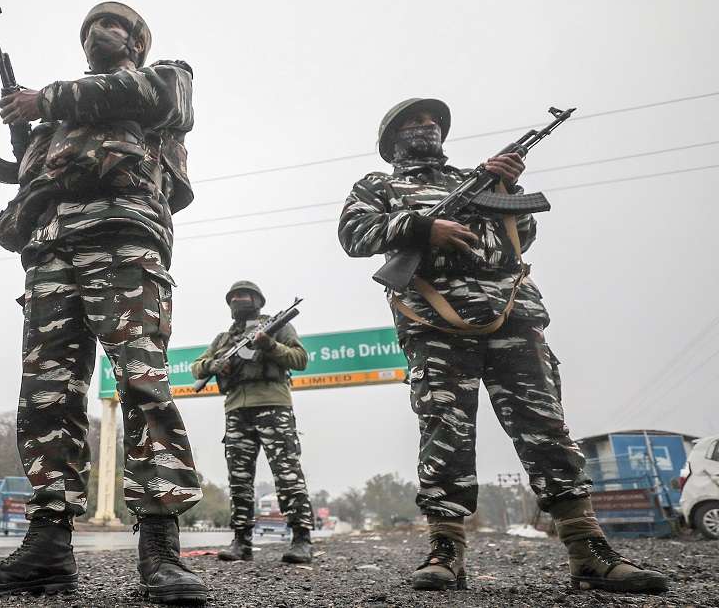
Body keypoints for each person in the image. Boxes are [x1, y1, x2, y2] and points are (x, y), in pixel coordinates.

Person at [337, 98, 668, 593]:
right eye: (414, 123)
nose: (426, 127)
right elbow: (353, 235)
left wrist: (505, 187)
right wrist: (423, 227)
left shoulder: (475, 180)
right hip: (437, 322)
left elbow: (520, 238)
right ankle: (446, 550)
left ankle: (588, 550)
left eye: (432, 121)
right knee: (446, 432)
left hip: (512, 316)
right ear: (392, 139)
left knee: (546, 429)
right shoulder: (378, 185)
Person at [0, 1, 206, 605]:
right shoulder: (58, 120)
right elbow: (30, 176)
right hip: (50, 250)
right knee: (47, 395)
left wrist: (43, 101)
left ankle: (160, 547)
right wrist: (28, 139)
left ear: (137, 42)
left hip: (123, 239)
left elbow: (159, 99)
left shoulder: (165, 78)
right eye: (90, 26)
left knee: (141, 384)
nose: (99, 32)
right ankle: (47, 547)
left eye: (114, 24)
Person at [189, 281, 314, 564]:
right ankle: (241, 542)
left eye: (244, 295)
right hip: (236, 411)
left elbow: (300, 359)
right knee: (239, 479)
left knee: (288, 475)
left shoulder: (278, 326)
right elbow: (196, 367)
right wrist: (213, 365)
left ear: (258, 300)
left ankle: (301, 539)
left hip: (274, 407)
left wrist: (269, 345)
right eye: (233, 297)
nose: (238, 300)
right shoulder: (224, 339)